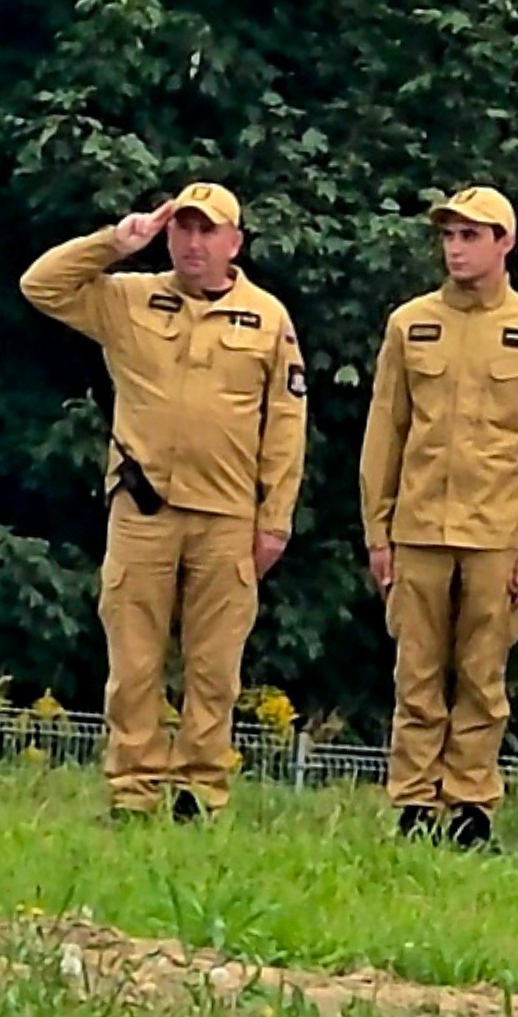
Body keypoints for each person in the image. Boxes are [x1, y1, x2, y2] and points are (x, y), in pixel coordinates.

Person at [20, 183, 310, 823]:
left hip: (229, 517)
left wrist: (275, 520)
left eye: (208, 232)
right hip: (142, 509)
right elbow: (40, 286)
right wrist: (114, 243)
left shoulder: (267, 318)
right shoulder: (130, 298)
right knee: (134, 661)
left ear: (235, 243)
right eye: (182, 229)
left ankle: (199, 794)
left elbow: (286, 426)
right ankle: (132, 792)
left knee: (214, 669)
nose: (193, 243)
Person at [357, 187, 518, 851]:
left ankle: (472, 807)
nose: (456, 248)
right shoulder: (410, 324)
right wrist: (378, 530)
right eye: (449, 236)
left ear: (504, 243)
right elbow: (385, 431)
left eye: (471, 236)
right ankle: (415, 803)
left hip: (496, 535)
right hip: (420, 528)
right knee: (417, 673)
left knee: (482, 678)